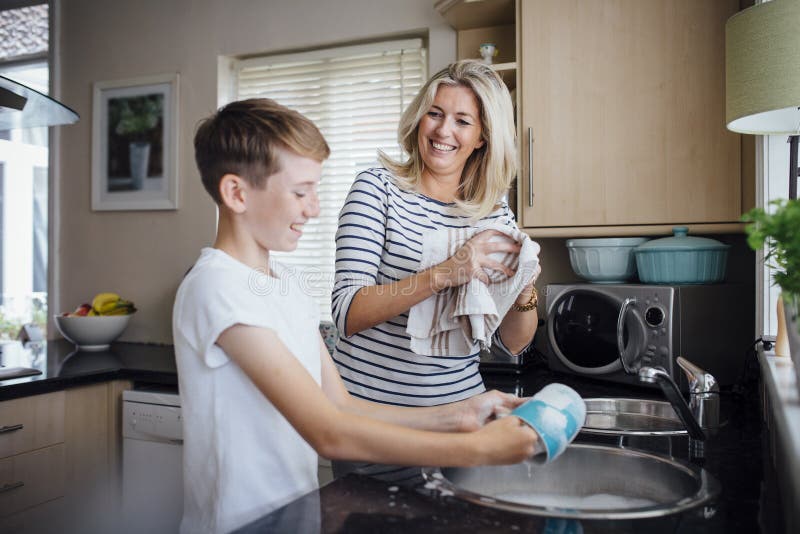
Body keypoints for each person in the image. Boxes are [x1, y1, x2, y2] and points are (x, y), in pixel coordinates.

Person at [173, 98, 538, 534]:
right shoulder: (217, 287)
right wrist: (479, 451)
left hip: (295, 517)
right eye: (300, 191)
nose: (314, 208)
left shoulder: (283, 282)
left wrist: (462, 416)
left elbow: (339, 405)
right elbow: (329, 433)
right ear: (236, 193)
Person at [331, 59, 540, 411]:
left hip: (460, 415)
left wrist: (524, 289)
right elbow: (347, 311)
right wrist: (445, 273)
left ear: (482, 136)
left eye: (462, 121)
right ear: (419, 119)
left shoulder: (495, 214)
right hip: (371, 418)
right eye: (435, 114)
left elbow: (512, 344)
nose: (443, 131)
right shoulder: (377, 189)